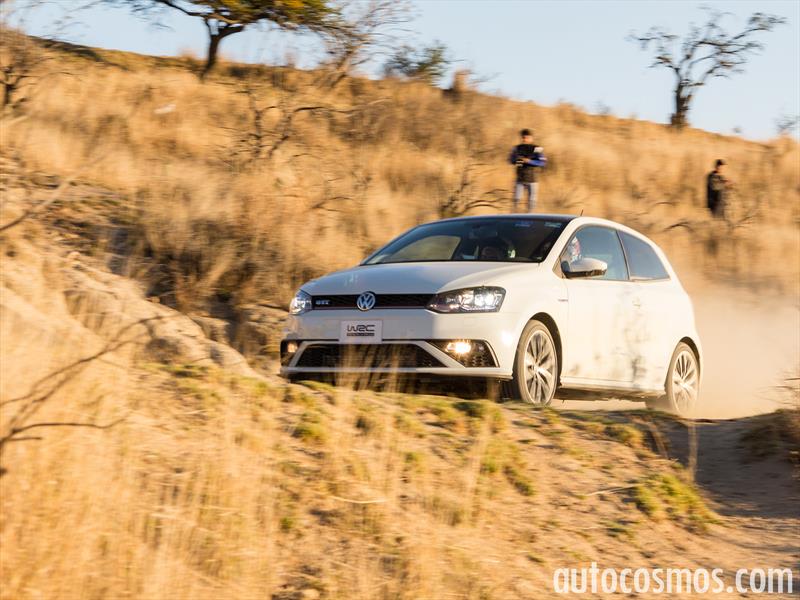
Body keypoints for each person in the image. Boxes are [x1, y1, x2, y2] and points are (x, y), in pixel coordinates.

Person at [509, 128, 547, 212]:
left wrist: (529, 161)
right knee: (516, 200)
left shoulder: (537, 148)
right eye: (523, 137)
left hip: (532, 179)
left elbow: (542, 162)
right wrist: (517, 160)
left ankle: (530, 217)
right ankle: (514, 216)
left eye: (527, 137)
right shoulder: (517, 148)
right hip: (520, 179)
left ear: (531, 138)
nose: (525, 139)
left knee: (532, 202)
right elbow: (511, 160)